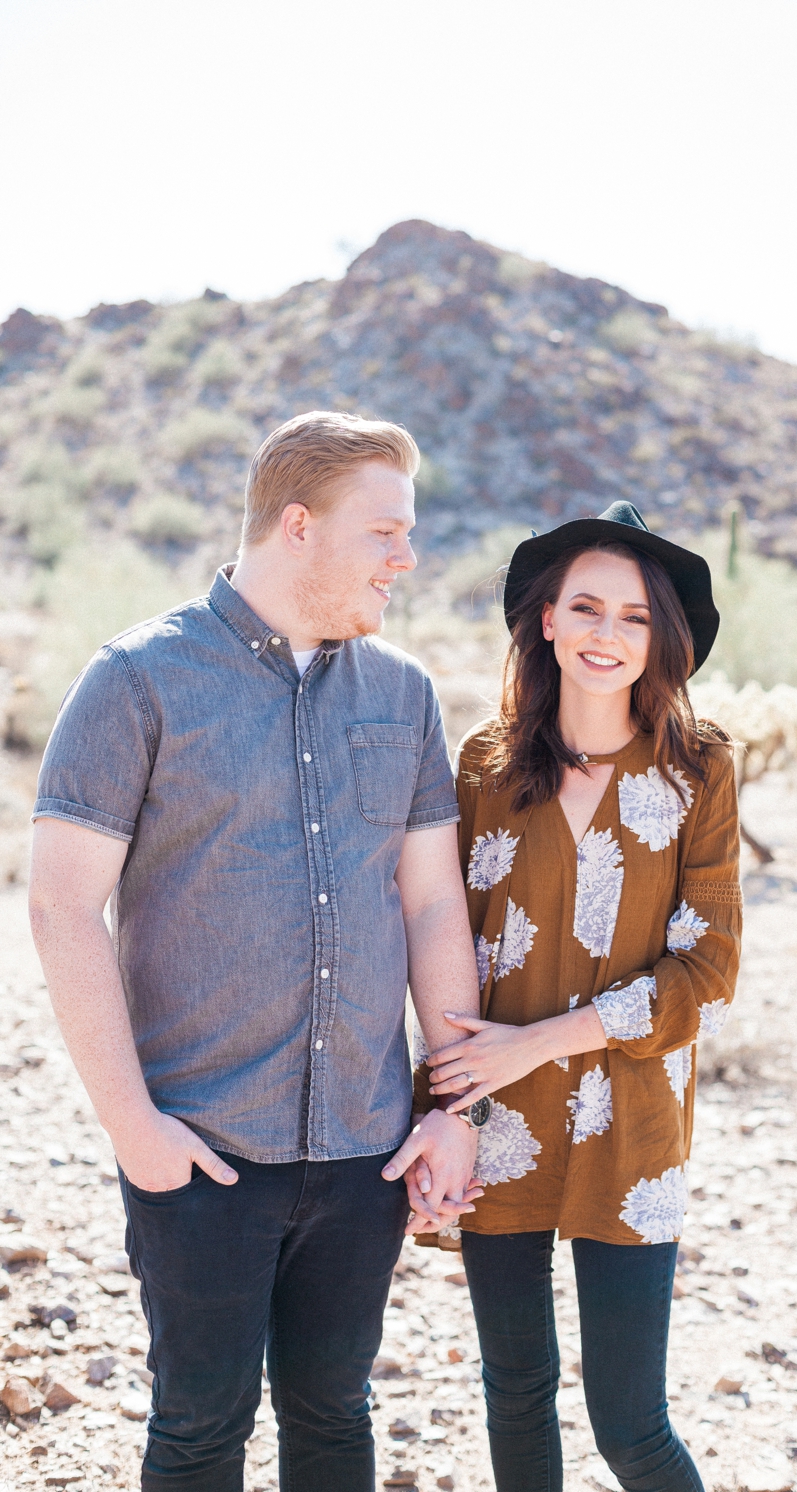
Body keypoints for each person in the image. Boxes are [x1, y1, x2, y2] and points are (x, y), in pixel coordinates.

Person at [27, 411, 486, 1492]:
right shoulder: (138, 680)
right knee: (200, 1426)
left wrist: (449, 1110)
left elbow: (430, 909)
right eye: (384, 532)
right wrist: (134, 1127)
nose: (405, 558)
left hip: (364, 1150)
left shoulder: (403, 695)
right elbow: (58, 907)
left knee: (334, 1416)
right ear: (298, 527)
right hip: (201, 1149)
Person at [413, 503, 742, 1492]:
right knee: (512, 1390)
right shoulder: (479, 763)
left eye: (634, 616)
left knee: (629, 1426)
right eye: (586, 607)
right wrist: (445, 1108)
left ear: (662, 635)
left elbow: (708, 968)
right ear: (544, 619)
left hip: (632, 1129)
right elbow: (439, 941)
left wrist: (539, 1041)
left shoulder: (697, 768)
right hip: (493, 1122)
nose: (608, 634)